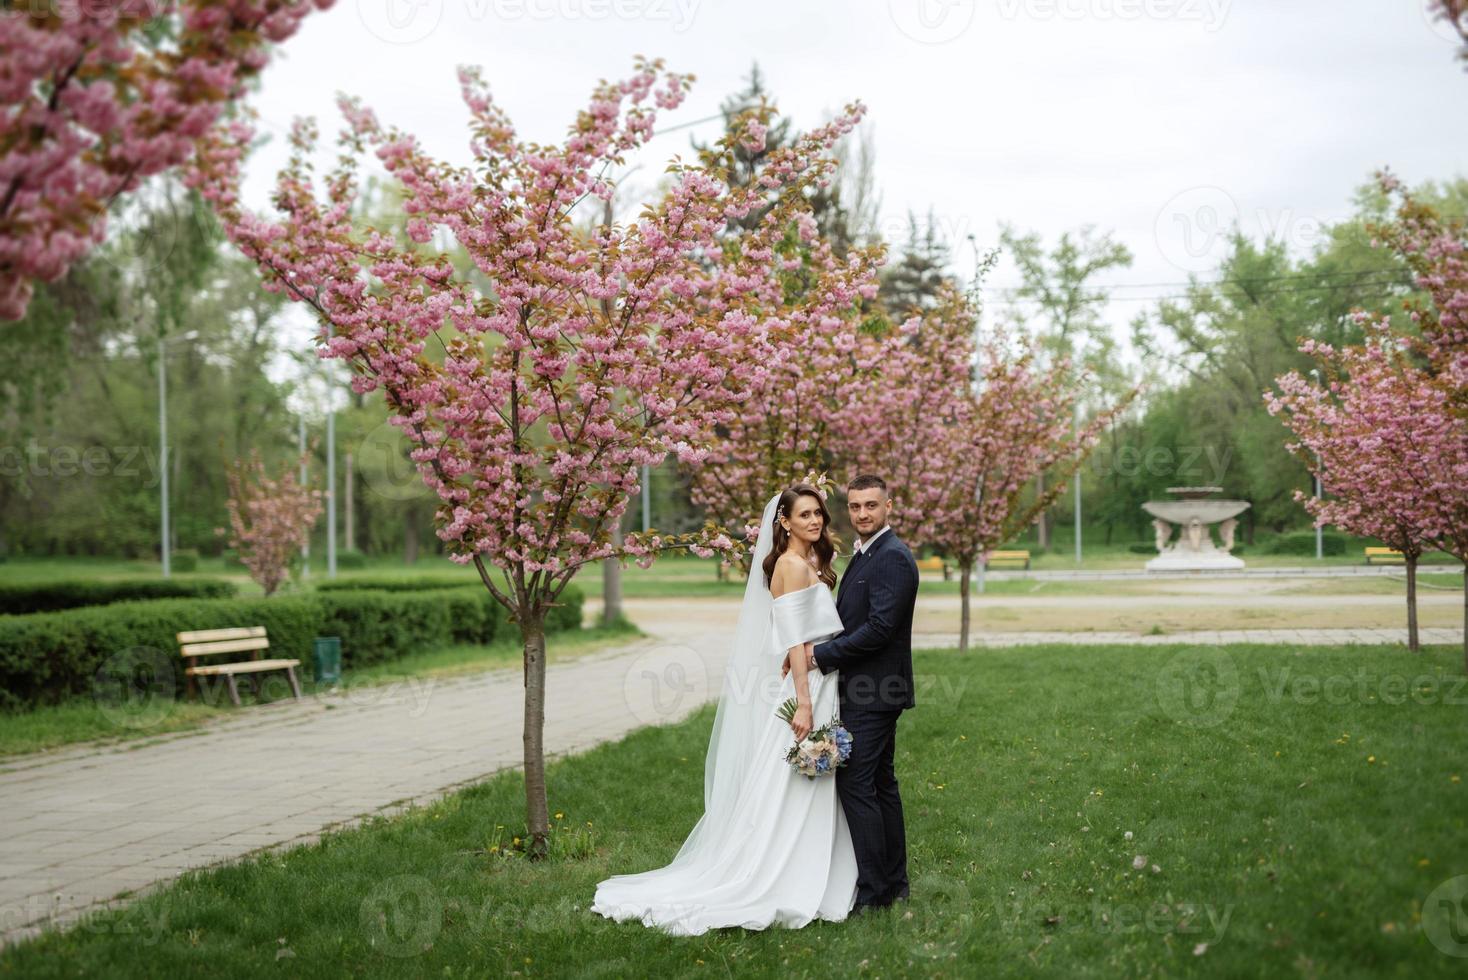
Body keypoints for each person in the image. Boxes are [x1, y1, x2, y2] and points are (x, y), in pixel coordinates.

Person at [590, 484, 858, 935]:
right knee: (792, 781)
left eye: (819, 514)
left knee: (810, 781)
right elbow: (794, 640)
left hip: (820, 676)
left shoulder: (807, 562)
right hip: (808, 682)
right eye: (806, 515)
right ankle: (778, 870)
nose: (816, 522)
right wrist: (805, 703)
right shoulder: (791, 566)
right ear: (784, 523)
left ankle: (819, 863)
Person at [784, 473, 918, 911]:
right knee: (880, 783)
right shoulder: (865, 554)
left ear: (888, 507)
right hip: (865, 688)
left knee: (858, 785)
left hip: (875, 692)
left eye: (871, 506)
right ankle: (893, 884)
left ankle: (875, 892)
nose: (862, 514)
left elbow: (879, 629)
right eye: (855, 506)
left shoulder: (892, 557)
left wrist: (820, 655)